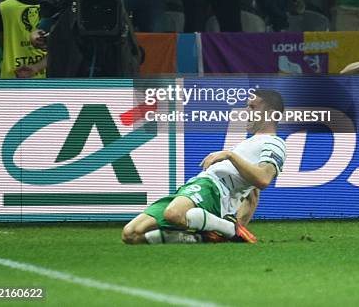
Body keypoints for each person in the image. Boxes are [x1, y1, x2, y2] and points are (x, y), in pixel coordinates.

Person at [122, 89, 286, 244]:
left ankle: (227, 228)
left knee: (173, 214)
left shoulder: (274, 143)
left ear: (271, 113)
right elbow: (253, 194)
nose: (246, 111)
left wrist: (230, 155)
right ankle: (206, 237)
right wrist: (240, 228)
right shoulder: (249, 143)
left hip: (213, 189)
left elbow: (263, 179)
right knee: (131, 234)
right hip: (196, 186)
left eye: (252, 107)